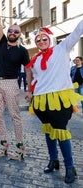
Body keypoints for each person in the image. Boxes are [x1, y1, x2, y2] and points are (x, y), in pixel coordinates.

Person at [25, 20, 83, 184]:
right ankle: (53, 160)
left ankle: (70, 167)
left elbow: (77, 31)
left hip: (59, 100)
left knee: (61, 132)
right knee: (49, 131)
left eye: (44, 39)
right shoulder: (35, 59)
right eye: (38, 40)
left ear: (50, 39)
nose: (41, 42)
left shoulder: (62, 48)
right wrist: (30, 92)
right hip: (41, 101)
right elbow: (36, 78)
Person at [0, 0, 30, 159]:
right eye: (11, 30)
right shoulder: (0, 43)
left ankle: (20, 149)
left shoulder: (22, 51)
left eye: (16, 31)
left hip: (11, 83)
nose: (12, 33)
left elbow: (28, 70)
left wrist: (29, 89)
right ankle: (3, 145)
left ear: (19, 34)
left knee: (15, 115)